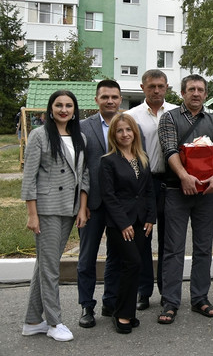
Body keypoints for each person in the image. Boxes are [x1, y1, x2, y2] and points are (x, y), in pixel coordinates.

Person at [157, 74, 213, 324]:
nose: (196, 93)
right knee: (173, 249)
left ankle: (200, 298)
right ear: (183, 93)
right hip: (177, 191)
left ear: (206, 94)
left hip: (207, 193)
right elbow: (169, 150)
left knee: (203, 248)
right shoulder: (169, 118)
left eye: (200, 90)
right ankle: (170, 302)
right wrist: (184, 176)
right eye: (191, 89)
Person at [21, 90, 89, 342]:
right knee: (50, 268)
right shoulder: (39, 136)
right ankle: (54, 321)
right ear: (51, 109)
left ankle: (31, 321)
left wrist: (82, 208)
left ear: (74, 109)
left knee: (45, 265)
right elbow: (29, 177)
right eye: (58, 105)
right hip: (47, 209)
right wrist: (32, 214)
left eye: (68, 105)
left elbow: (84, 176)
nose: (63, 109)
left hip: (69, 209)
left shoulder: (79, 137)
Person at [99, 114, 156, 334]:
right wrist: (123, 223)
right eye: (120, 131)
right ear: (114, 134)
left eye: (128, 130)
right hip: (120, 223)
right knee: (130, 263)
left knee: (136, 265)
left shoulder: (143, 158)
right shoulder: (108, 161)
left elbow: (149, 191)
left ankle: (128, 312)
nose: (125, 134)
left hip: (142, 222)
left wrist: (151, 218)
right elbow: (108, 196)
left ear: (135, 133)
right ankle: (121, 313)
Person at [127, 69, 178, 310]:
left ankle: (167, 291)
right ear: (142, 88)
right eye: (151, 87)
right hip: (143, 185)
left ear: (167, 87)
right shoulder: (131, 117)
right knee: (142, 239)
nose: (156, 90)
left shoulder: (177, 113)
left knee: (169, 240)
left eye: (160, 86)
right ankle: (143, 291)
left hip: (171, 183)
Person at [78, 80, 123, 328]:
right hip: (91, 204)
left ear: (119, 100)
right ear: (96, 99)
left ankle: (110, 302)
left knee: (116, 256)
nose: (110, 101)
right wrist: (81, 203)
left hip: (119, 204)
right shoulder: (83, 127)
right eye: (105, 97)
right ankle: (86, 306)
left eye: (114, 97)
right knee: (87, 258)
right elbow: (79, 168)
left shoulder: (126, 126)